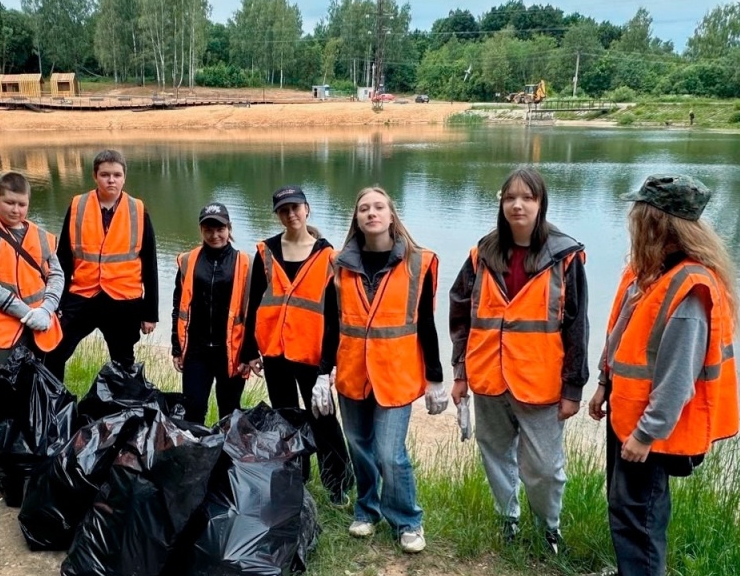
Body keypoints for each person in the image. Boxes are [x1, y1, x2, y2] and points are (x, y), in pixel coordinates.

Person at [587, 174, 739, 576]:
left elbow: (677, 378)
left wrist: (645, 435)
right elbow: (623, 336)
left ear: (658, 224)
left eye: (639, 215)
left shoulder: (690, 288)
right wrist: (604, 383)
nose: (631, 221)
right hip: (625, 420)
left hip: (648, 438)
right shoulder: (647, 273)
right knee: (626, 516)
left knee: (642, 530)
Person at [448, 168, 588, 553]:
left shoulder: (564, 256)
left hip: (541, 383)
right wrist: (460, 372)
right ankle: (507, 519)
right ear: (502, 203)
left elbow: (577, 325)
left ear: (541, 204)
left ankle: (548, 529)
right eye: (510, 197)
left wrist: (573, 388)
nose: (518, 205)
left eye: (527, 197)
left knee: (545, 468)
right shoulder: (482, 254)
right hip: (488, 377)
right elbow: (461, 314)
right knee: (495, 453)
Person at [313, 186, 446, 554]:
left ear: (391, 216)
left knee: (390, 453)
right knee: (360, 447)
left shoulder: (418, 263)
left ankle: (408, 521)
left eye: (378, 207)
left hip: (396, 375)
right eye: (364, 209)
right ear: (356, 220)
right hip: (353, 373)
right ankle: (367, 510)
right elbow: (331, 324)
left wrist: (435, 377)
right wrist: (323, 372)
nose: (371, 213)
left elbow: (426, 323)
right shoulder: (339, 264)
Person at [241, 185, 354, 504]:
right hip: (275, 353)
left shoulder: (328, 256)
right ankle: (296, 480)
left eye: (295, 207)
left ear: (307, 209)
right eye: (283, 210)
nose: (290, 214)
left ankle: (338, 487)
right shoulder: (265, 252)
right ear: (277, 215)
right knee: (285, 419)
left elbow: (334, 317)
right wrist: (249, 350)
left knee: (323, 419)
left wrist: (328, 366)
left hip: (312, 354)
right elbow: (254, 303)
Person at [0, 171, 64, 493]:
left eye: (22, 204)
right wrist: (25, 312)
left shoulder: (41, 236)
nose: (16, 210)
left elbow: (57, 275)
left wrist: (46, 309)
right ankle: (1, 465)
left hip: (38, 330)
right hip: (2, 334)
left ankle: (34, 460)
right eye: (10, 203)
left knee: (33, 397)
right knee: (1, 402)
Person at [46, 149, 158, 382]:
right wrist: (57, 302)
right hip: (82, 295)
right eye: (105, 174)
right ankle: (53, 402)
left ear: (124, 177)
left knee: (123, 364)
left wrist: (150, 313)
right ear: (95, 176)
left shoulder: (138, 209)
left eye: (117, 175)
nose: (111, 180)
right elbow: (63, 259)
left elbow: (150, 264)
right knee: (54, 351)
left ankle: (123, 404)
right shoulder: (77, 205)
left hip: (123, 301)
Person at [171, 203, 250, 423]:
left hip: (231, 352)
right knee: (193, 410)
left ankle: (225, 446)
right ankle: (196, 445)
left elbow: (253, 314)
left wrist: (248, 354)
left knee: (229, 412)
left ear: (229, 228)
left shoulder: (246, 263)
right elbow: (178, 307)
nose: (215, 235)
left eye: (220, 229)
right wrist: (177, 348)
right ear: (201, 230)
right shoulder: (187, 261)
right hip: (197, 351)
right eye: (208, 230)